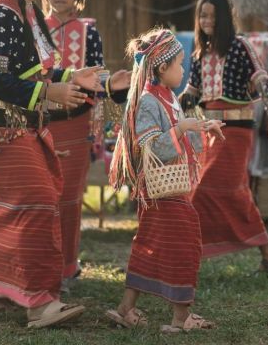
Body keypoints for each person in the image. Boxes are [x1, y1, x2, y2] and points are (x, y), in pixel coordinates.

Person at [0, 0, 103, 328]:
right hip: (6, 129)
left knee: (9, 212)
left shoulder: (25, 14)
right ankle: (40, 303)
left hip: (25, 127)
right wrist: (49, 92)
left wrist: (72, 77)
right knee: (40, 205)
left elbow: (33, 71)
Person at [106, 28, 225, 334]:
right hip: (162, 191)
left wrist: (200, 125)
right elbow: (152, 146)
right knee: (183, 244)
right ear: (162, 67)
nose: (184, 69)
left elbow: (179, 135)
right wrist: (182, 128)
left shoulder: (167, 96)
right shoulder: (148, 101)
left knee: (150, 246)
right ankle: (180, 318)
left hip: (171, 189)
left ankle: (125, 308)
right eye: (180, 64)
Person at [181, 0, 268, 272]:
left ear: (225, 17)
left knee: (206, 189)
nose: (207, 20)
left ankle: (185, 254)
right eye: (202, 15)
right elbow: (192, 92)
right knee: (235, 193)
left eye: (212, 15)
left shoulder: (240, 46)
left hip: (235, 132)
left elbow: (260, 77)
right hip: (210, 132)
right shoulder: (199, 54)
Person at [45, 0, 106, 290]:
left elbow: (97, 78)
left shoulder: (89, 32)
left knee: (69, 198)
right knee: (45, 196)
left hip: (76, 123)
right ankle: (44, 263)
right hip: (42, 124)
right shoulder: (37, 28)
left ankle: (66, 267)